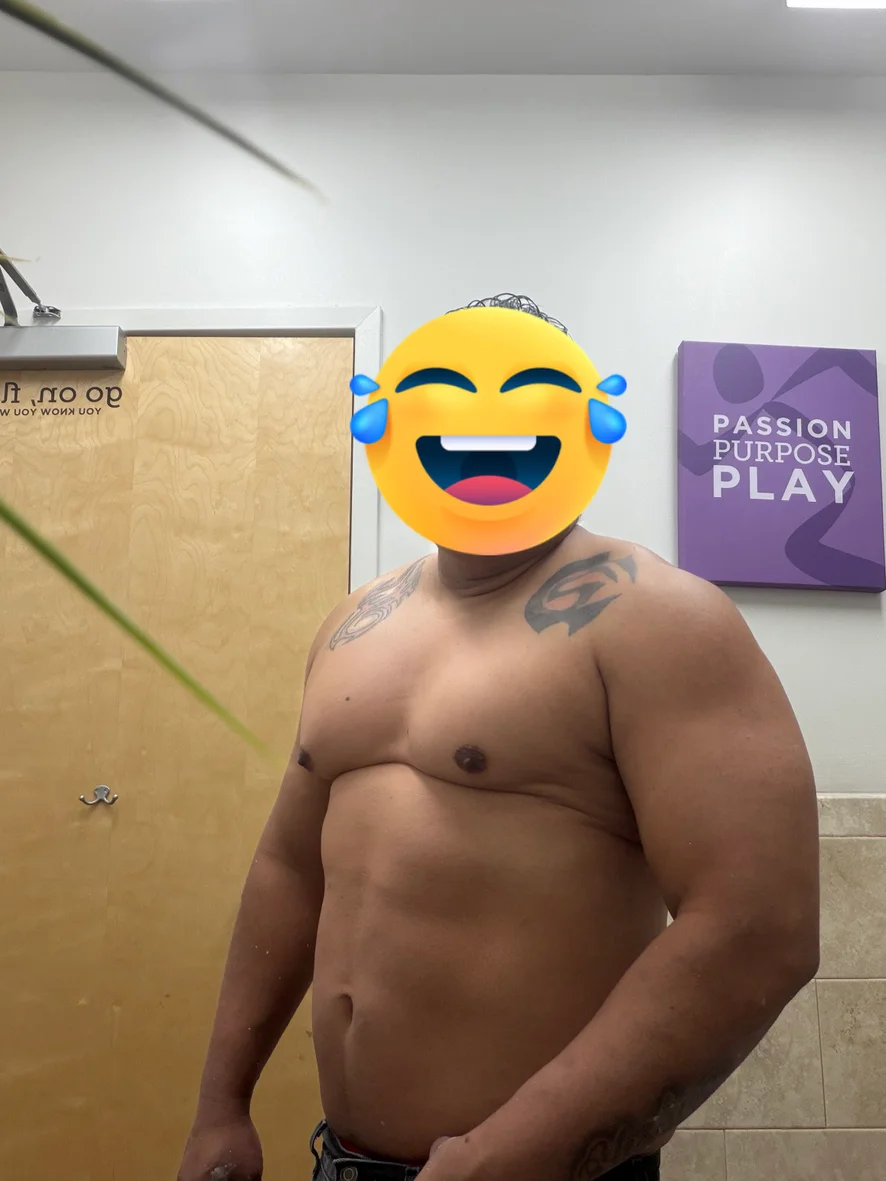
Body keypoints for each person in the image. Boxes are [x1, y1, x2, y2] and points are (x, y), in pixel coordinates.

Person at [177, 299, 820, 1181]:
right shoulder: (352, 622)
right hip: (344, 1159)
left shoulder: (659, 618)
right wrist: (221, 1102)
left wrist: (504, 1158)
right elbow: (290, 867)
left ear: (580, 419)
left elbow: (759, 927)